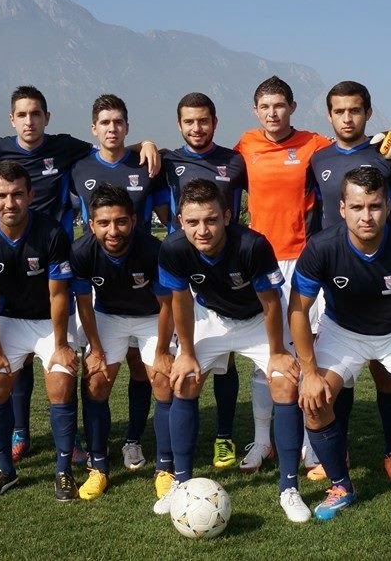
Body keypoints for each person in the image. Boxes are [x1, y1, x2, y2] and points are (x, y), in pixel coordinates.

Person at [0, 86, 159, 465]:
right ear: (12, 119)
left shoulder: (65, 147)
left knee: (64, 360)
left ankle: (71, 439)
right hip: (7, 260)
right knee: (7, 361)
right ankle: (17, 431)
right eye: (22, 114)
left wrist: (145, 144)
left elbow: (107, 147)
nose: (29, 121)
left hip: (54, 256)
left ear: (46, 118)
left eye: (35, 114)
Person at [235, 75, 391, 476]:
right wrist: (148, 146)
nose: (273, 113)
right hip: (259, 262)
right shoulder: (245, 145)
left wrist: (390, 139)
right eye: (265, 107)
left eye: (280, 105)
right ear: (255, 110)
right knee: (268, 356)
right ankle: (263, 441)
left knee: (317, 354)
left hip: (306, 259)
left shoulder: (314, 146)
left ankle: (315, 445)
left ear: (293, 108)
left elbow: (356, 149)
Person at [289, 166, 391, 522]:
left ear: (388, 206)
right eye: (357, 207)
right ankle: (341, 486)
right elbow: (298, 310)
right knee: (314, 401)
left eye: (375, 206)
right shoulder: (322, 247)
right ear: (342, 208)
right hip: (342, 330)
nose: (366, 216)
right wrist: (309, 372)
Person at [154, 179, 311, 523]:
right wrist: (186, 352)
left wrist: (277, 352)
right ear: (180, 221)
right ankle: (181, 482)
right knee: (184, 380)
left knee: (285, 383)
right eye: (193, 222)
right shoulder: (173, 248)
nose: (202, 230)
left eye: (211, 220)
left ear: (227, 216)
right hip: (212, 317)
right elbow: (181, 301)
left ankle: (289, 488)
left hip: (258, 320)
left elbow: (271, 303)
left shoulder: (252, 245)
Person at [307, 80, 391, 484]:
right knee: (340, 369)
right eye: (339, 111)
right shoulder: (318, 159)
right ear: (329, 115)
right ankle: (338, 451)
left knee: (383, 370)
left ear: (368, 113)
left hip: (384, 275)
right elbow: (314, 216)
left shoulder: (389, 154)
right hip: (334, 277)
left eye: (354, 110)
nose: (347, 118)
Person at [0, 160, 79, 500]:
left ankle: (63, 471)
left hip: (52, 321)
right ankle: (6, 471)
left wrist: (61, 345)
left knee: (61, 381)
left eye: (17, 194)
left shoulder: (51, 233)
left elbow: (58, 294)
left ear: (30, 195)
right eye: (1, 196)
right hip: (11, 318)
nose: (9, 202)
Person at [70, 94, 169, 472]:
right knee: (97, 375)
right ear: (93, 129)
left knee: (148, 371)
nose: (112, 129)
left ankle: (134, 441)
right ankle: (97, 456)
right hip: (104, 290)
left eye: (118, 122)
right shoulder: (78, 165)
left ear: (127, 126)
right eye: (105, 123)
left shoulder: (145, 163)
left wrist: (148, 144)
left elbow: (169, 217)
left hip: (146, 289)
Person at [70, 183, 175, 500]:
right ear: (91, 224)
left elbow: (168, 305)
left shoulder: (153, 250)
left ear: (133, 220)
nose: (113, 231)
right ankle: (98, 466)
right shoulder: (81, 251)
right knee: (96, 380)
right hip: (108, 316)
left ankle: (164, 466)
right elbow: (84, 303)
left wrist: (161, 351)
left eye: (120, 221)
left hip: (151, 316)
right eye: (104, 223)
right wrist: (95, 348)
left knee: (163, 380)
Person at [162, 92, 248, 471]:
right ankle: (179, 448)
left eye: (203, 120)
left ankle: (224, 436)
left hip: (225, 272)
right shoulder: (167, 161)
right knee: (185, 360)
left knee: (225, 360)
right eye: (189, 121)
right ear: (179, 125)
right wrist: (142, 144)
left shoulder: (235, 160)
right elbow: (117, 154)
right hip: (182, 271)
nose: (197, 128)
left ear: (215, 122)